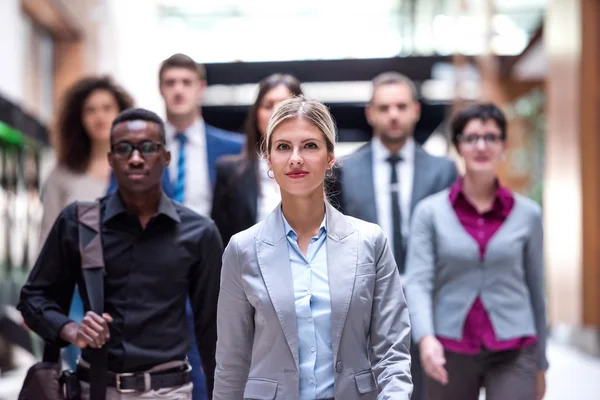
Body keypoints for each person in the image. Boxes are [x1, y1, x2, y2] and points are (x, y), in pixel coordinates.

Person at [213, 97, 413, 400]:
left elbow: (393, 352)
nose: (295, 158)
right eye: (282, 147)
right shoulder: (242, 249)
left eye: (309, 146)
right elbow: (231, 364)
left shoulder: (369, 241)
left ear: (330, 156)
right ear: (268, 158)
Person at [18, 108, 223, 399]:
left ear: (165, 157)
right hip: (95, 389)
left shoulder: (199, 232)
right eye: (124, 149)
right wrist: (71, 330)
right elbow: (32, 298)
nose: (136, 158)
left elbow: (212, 331)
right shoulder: (78, 222)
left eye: (148, 148)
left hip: (169, 391)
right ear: (111, 159)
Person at [404, 103, 548, 400]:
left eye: (491, 137)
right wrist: (426, 338)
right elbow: (418, 282)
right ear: (458, 145)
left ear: (504, 145)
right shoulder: (430, 213)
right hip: (448, 346)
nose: (481, 146)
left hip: (514, 346)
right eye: (471, 138)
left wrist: (541, 363)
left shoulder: (528, 214)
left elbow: (536, 288)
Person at [337, 72, 458, 400]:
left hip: (430, 303)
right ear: (370, 113)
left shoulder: (443, 171)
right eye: (385, 107)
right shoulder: (344, 171)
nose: (393, 114)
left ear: (415, 110)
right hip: (365, 304)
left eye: (401, 106)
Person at [39, 76, 133, 368]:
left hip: (129, 287)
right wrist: (40, 305)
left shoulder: (137, 167)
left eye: (107, 107)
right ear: (78, 118)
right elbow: (46, 241)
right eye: (90, 110)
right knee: (82, 370)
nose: (99, 116)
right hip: (76, 292)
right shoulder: (62, 174)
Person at [211, 73, 302, 246]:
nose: (276, 112)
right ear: (256, 114)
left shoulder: (327, 172)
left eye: (285, 105)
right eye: (268, 105)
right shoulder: (230, 172)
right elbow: (221, 242)